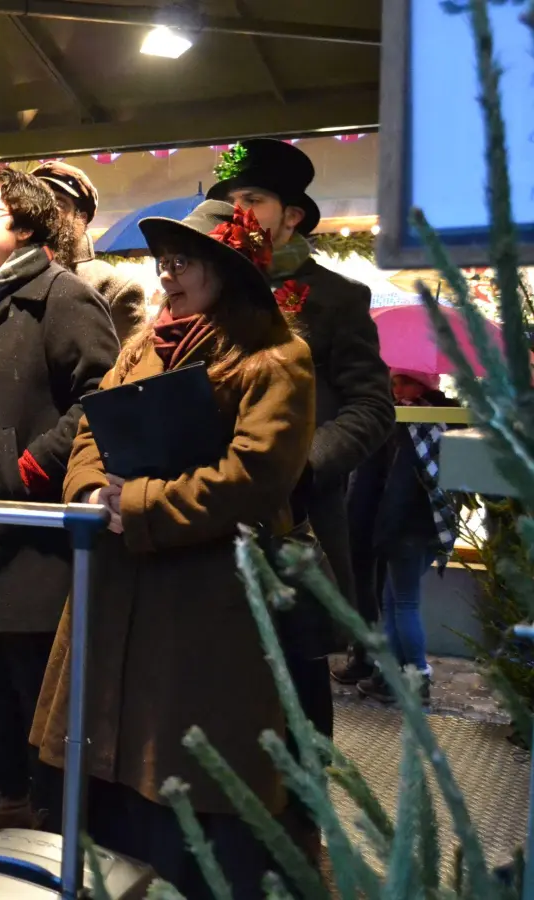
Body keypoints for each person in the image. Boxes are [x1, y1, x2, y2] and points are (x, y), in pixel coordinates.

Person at [31, 200, 316, 897]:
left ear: (229, 269)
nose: (167, 273)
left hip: (207, 606)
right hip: (118, 589)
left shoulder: (278, 357)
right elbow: (93, 428)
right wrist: (91, 493)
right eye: (165, 260)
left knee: (190, 785)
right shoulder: (144, 342)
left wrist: (137, 505)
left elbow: (254, 477)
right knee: (107, 779)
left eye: (184, 260)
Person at [207, 139, 392, 857]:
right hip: (210, 524)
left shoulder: (337, 298)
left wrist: (301, 464)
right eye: (232, 202)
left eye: (252, 201)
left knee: (299, 705)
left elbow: (372, 409)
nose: (239, 214)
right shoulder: (209, 293)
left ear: (293, 217)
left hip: (298, 530)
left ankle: (303, 846)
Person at [0, 166, 118, 829]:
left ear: (27, 226)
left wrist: (31, 465)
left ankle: (44, 823)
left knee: (33, 687)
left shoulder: (63, 299)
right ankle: (8, 804)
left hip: (30, 534)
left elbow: (104, 397)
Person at [347, 370, 462, 704]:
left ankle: (417, 677)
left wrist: (381, 532)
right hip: (430, 527)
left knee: (404, 603)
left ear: (421, 384)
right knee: (394, 602)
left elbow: (398, 489)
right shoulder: (446, 419)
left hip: (405, 530)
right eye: (394, 382)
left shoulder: (412, 425)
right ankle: (389, 676)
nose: (395, 389)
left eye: (403, 382)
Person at [33, 160, 147, 341]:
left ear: (81, 218)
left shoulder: (113, 287)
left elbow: (130, 366)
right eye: (37, 202)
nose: (46, 210)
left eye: (59, 203)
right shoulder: (2, 273)